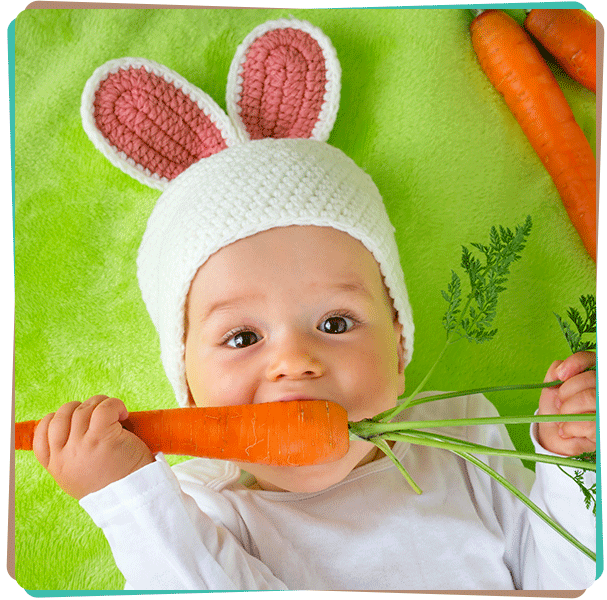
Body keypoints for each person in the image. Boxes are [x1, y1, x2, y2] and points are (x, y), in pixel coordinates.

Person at [32, 18, 596, 591]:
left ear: (399, 343)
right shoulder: (198, 511)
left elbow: (563, 577)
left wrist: (569, 464)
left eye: (335, 322)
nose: (295, 361)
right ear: (187, 384)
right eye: (243, 338)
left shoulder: (464, 438)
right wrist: (126, 498)